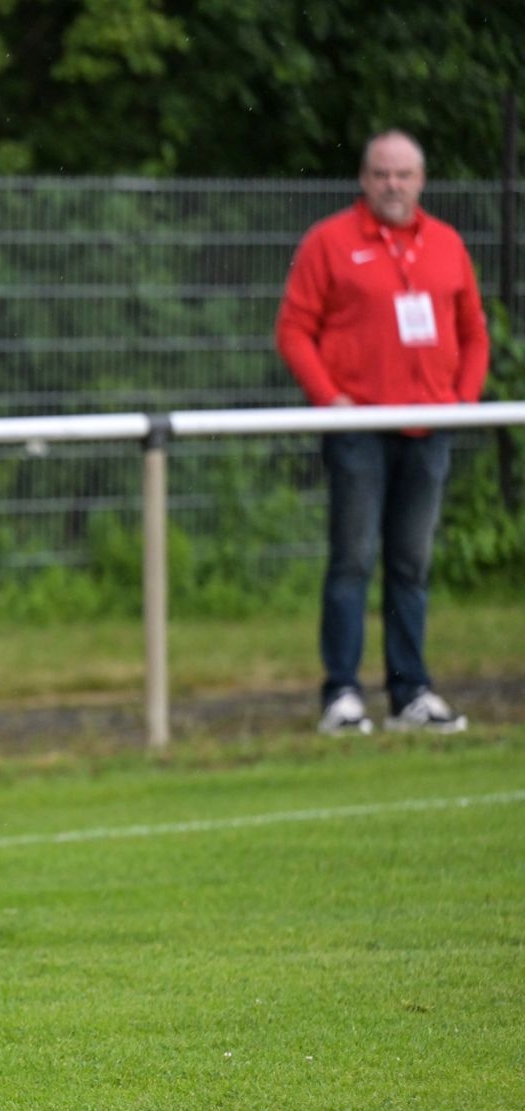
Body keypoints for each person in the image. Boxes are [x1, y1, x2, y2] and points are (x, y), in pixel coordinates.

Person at [277, 129, 488, 736]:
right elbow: (293, 330)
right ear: (363, 180)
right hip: (360, 430)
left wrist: (462, 402)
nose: (392, 185)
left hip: (430, 428)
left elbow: (473, 332)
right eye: (381, 174)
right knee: (352, 561)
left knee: (410, 564)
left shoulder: (447, 244)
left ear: (421, 181)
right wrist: (332, 400)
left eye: (403, 174)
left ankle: (410, 691)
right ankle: (342, 694)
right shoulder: (329, 242)